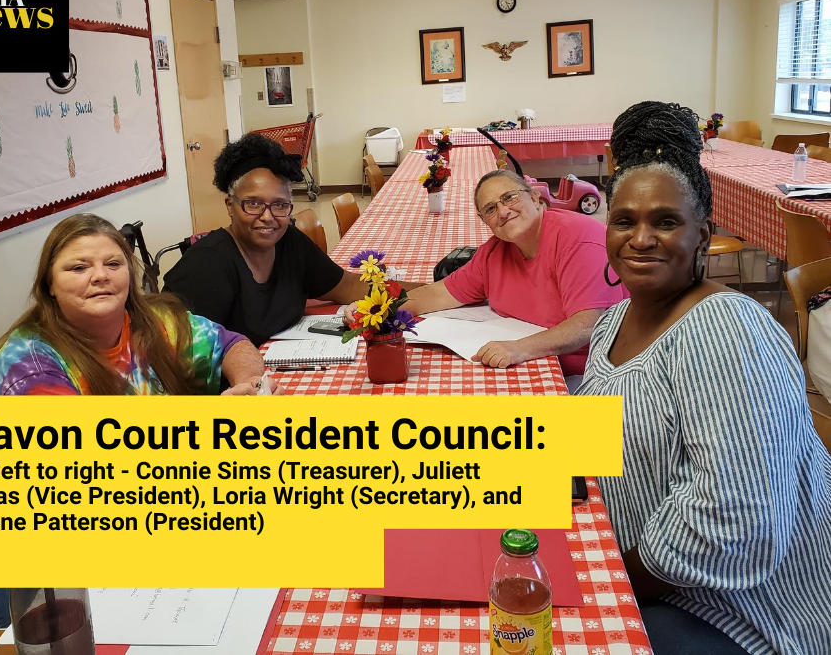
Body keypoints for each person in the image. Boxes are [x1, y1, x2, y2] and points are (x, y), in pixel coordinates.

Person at [576, 101, 831, 655]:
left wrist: (613, 582)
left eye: (665, 222)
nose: (640, 239)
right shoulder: (614, 322)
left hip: (741, 613)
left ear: (703, 233)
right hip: (651, 580)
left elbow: (736, 521)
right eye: (624, 221)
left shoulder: (725, 329)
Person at [0, 213, 272, 396]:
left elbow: (231, 344)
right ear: (50, 284)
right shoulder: (28, 367)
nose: (100, 276)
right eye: (78, 268)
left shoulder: (157, 321)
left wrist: (250, 386)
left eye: (113, 264)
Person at [164, 134, 393, 346]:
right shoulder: (206, 266)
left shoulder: (289, 242)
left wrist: (422, 294)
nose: (267, 217)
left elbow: (348, 285)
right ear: (230, 207)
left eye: (280, 205)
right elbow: (178, 356)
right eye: (253, 203)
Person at [397, 168, 624, 381]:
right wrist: (381, 312)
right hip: (530, 366)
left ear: (535, 198)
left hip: (594, 374)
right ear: (484, 221)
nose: (503, 212)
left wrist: (518, 348)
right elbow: (440, 293)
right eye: (490, 209)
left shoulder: (577, 240)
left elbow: (589, 324)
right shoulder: (494, 253)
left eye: (509, 198)